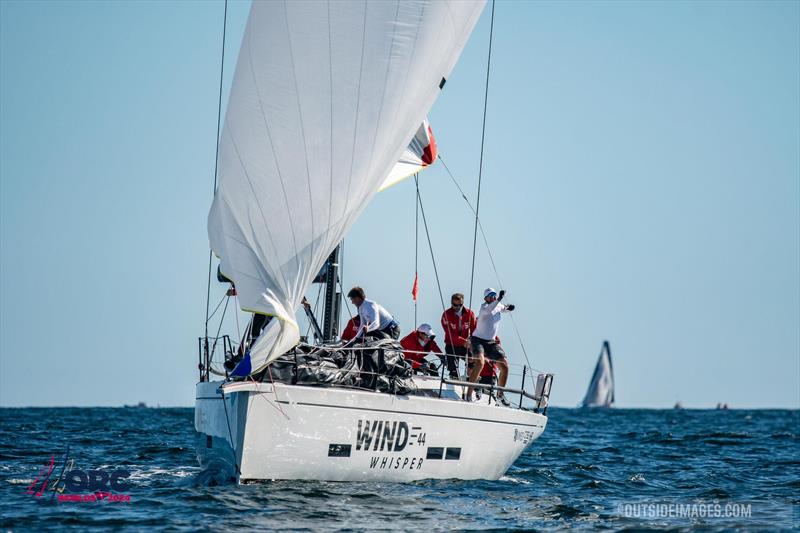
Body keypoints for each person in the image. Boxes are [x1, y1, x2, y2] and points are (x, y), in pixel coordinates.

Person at [467, 288, 515, 404]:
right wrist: (499, 298)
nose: (493, 296)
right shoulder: (484, 308)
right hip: (478, 340)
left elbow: (502, 308)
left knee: (504, 366)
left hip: (491, 342)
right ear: (485, 298)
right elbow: (491, 308)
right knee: (480, 363)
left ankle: (500, 395)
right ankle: (469, 394)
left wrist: (509, 308)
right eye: (490, 295)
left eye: (494, 295)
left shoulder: (497, 305)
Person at [440, 292, 476, 379]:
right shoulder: (446, 314)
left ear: (462, 303)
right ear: (451, 303)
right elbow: (449, 333)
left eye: (460, 305)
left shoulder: (470, 313)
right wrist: (463, 341)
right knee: (453, 369)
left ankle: (473, 380)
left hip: (466, 344)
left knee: (472, 361)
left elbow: (475, 329)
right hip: (452, 344)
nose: (457, 307)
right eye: (454, 305)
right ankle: (453, 376)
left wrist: (471, 341)